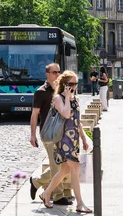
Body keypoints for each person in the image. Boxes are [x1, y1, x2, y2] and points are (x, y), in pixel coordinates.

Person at [39, 71, 92, 213]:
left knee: (65, 170)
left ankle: (47, 193)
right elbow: (66, 114)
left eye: (75, 83)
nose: (74, 87)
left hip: (73, 139)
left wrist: (83, 137)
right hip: (63, 140)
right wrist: (67, 98)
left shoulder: (75, 99)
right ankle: (80, 203)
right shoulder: (58, 98)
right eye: (71, 84)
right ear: (64, 84)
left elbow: (76, 120)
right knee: (75, 168)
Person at [28, 63, 71, 206]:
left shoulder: (62, 90)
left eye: (59, 72)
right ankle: (58, 195)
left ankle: (37, 181)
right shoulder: (40, 92)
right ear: (47, 74)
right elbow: (34, 115)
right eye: (54, 72)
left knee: (64, 166)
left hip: (62, 132)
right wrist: (32, 135)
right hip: (48, 133)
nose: (57, 75)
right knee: (56, 165)